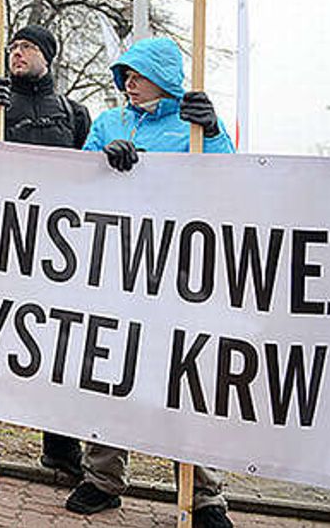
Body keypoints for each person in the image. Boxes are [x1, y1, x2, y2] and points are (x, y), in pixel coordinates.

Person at [65, 35, 233, 528]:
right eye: (125, 75)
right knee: (109, 371)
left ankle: (204, 496)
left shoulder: (195, 125)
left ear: (164, 77)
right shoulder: (109, 122)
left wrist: (214, 132)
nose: (129, 83)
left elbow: (231, 180)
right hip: (116, 267)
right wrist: (100, 159)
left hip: (177, 271)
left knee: (184, 379)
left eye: (138, 75)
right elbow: (76, 180)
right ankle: (102, 479)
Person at [0, 24, 90, 485]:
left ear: (48, 55)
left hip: (52, 247)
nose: (16, 53)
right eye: (12, 47)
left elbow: (91, 173)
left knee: (56, 345)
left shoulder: (73, 113)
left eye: (26, 47)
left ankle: (61, 449)